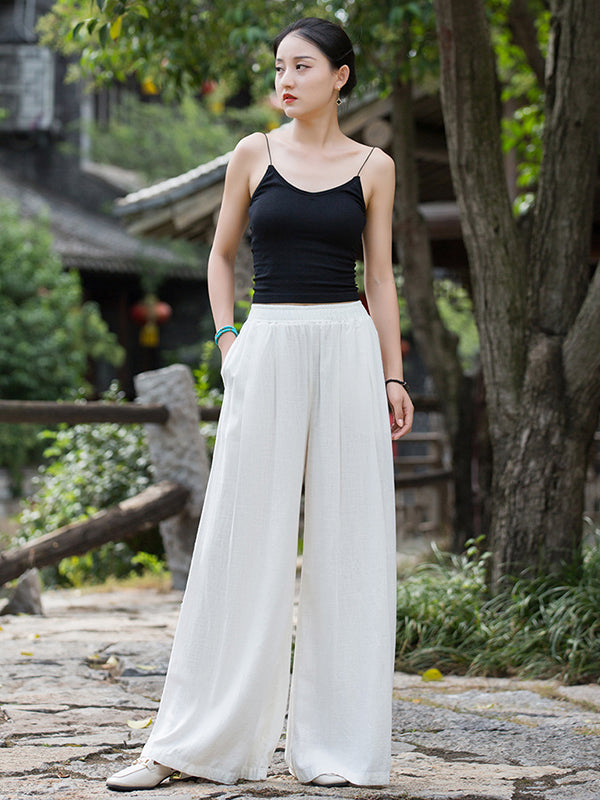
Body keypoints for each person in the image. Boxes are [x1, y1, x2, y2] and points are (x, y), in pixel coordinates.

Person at [106, 16, 413, 792]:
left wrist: (393, 376)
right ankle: (189, 746)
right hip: (266, 342)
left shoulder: (375, 166)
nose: (286, 79)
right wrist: (228, 342)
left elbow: (380, 279)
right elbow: (219, 256)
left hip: (346, 347)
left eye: (302, 66)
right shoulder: (253, 153)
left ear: (340, 76)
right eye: (279, 66)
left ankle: (342, 748)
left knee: (351, 541)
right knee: (239, 539)